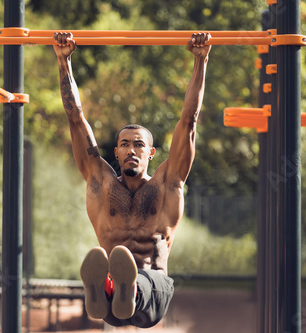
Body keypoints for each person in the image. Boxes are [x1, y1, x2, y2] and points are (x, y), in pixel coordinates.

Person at [53, 31, 211, 328]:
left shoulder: (168, 185)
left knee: (140, 283)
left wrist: (200, 61)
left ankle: (126, 289)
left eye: (138, 144)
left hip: (155, 290)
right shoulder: (102, 185)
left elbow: (189, 121)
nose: (131, 150)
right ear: (116, 151)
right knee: (114, 290)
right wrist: (64, 61)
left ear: (151, 152)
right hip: (113, 306)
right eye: (124, 144)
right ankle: (106, 291)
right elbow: (76, 118)